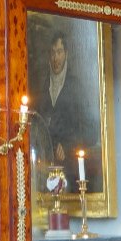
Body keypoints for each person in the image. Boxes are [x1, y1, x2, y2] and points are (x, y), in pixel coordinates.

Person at [34, 30, 98, 181]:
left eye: (59, 52)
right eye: (52, 53)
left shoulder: (76, 87)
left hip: (71, 171)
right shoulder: (42, 88)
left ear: (66, 54)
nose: (55, 58)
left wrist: (68, 145)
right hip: (45, 172)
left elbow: (92, 132)